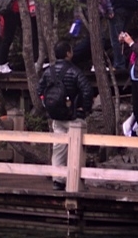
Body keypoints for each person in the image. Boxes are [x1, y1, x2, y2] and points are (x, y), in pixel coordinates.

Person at [37, 39, 95, 182]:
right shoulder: (75, 71)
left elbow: (39, 90)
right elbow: (87, 90)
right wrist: (84, 108)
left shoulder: (48, 71)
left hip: (56, 117)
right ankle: (75, 181)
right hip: (74, 117)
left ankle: (58, 180)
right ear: (68, 53)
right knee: (77, 149)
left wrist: (48, 104)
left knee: (58, 148)